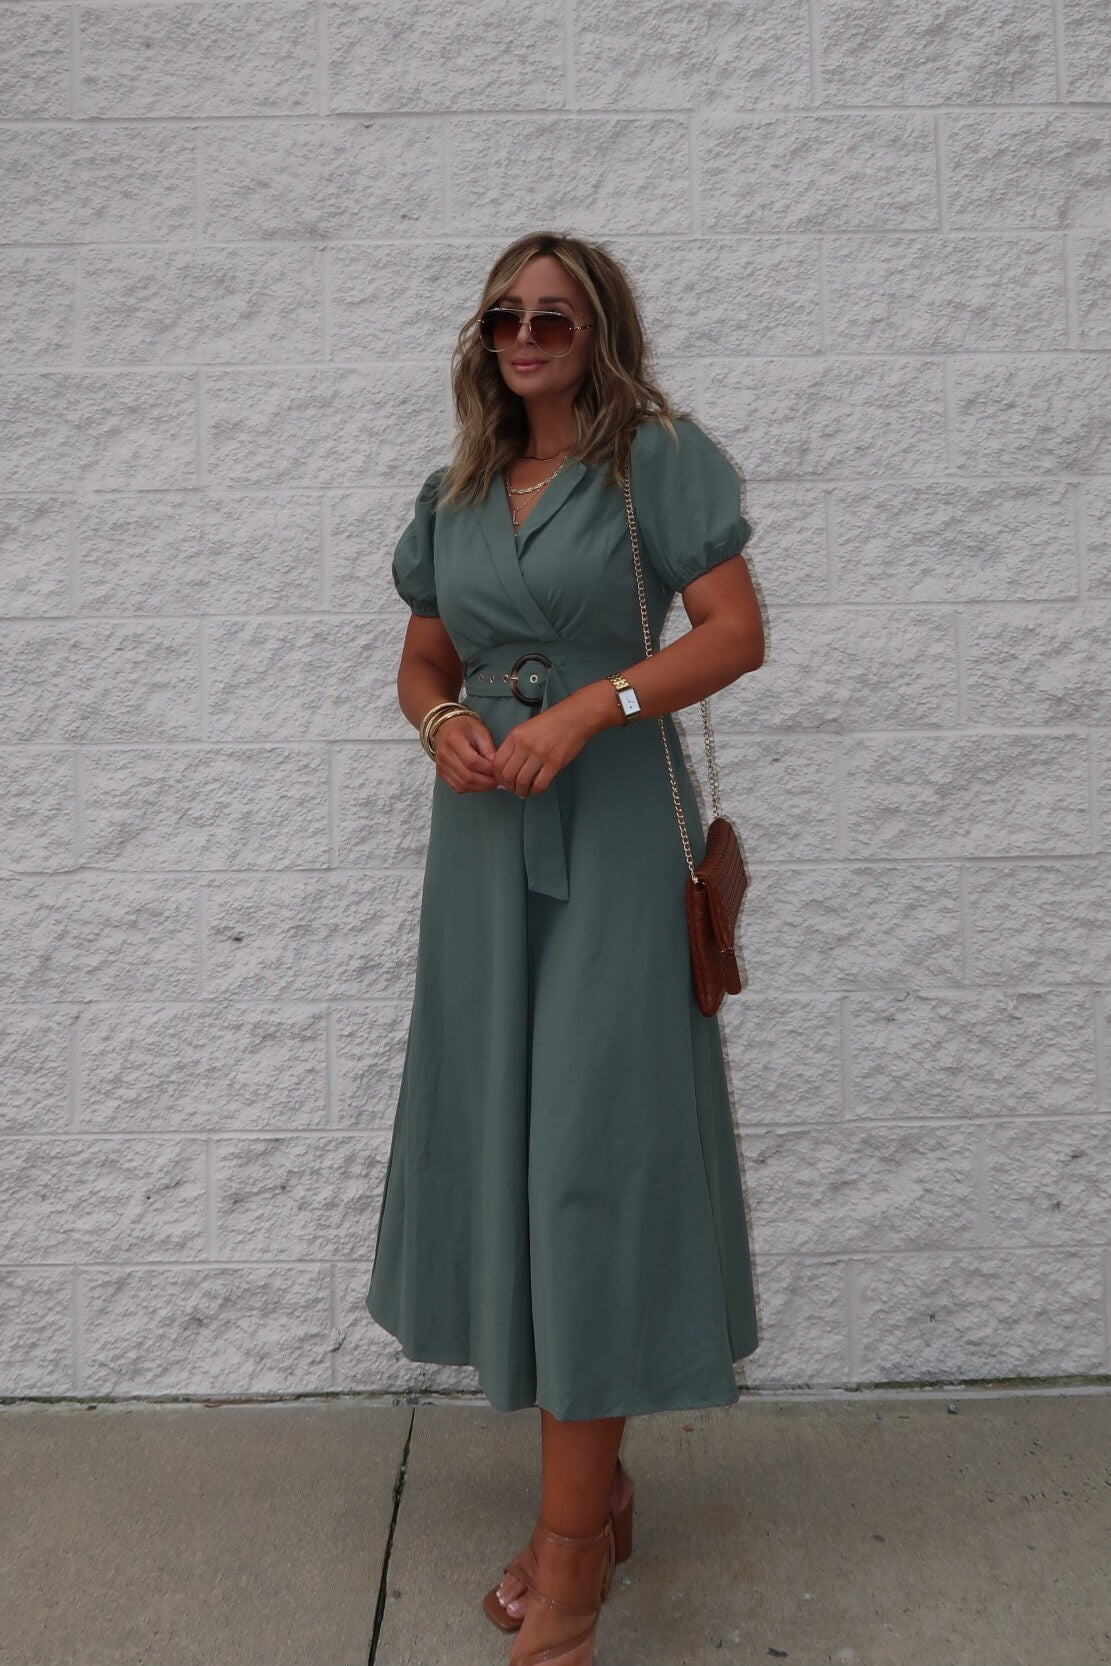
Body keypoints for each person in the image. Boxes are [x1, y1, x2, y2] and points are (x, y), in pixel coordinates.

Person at [366, 230, 766, 1666]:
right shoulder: (458, 487)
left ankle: (572, 1550)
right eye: (504, 315)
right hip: (484, 857)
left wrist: (590, 707)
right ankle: (601, 1489)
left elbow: (734, 631)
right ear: (482, 337)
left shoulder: (655, 457)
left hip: (607, 845)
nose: (526, 334)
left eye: (555, 313)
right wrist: (441, 723)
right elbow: (422, 652)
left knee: (588, 1168)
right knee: (518, 1162)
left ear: (598, 330)